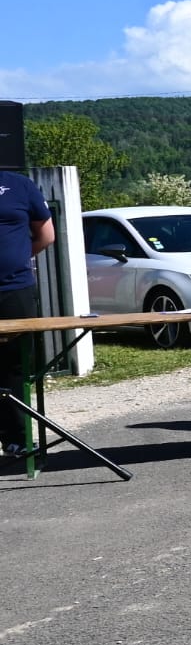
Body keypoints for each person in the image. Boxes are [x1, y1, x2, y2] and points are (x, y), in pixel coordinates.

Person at [1, 169, 55, 460]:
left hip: (14, 290)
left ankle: (17, 440)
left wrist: (16, 259)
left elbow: (46, 235)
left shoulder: (19, 185)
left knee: (15, 366)